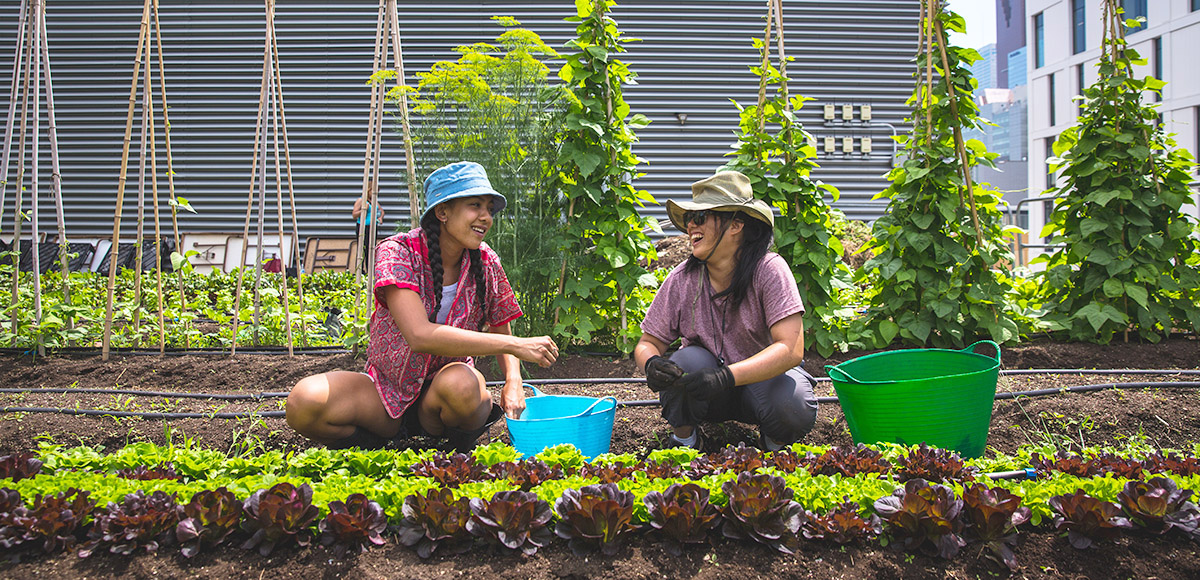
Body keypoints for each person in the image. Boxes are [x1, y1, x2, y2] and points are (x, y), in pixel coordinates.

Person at [287, 161, 559, 451]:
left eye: (489, 209)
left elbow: (500, 322)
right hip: (386, 391)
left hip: (445, 394)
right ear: (442, 212)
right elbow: (419, 335)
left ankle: (448, 449)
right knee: (304, 401)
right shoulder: (398, 252)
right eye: (475, 205)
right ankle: (377, 444)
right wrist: (517, 344)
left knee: (464, 386)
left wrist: (513, 380)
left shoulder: (485, 260)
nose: (486, 217)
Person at [633, 170, 818, 451]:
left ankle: (774, 444)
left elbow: (791, 349)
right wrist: (651, 363)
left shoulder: (769, 270)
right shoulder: (683, 278)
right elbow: (648, 342)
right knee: (684, 363)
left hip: (762, 387)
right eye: (689, 219)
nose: (690, 226)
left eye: (701, 217)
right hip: (705, 391)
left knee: (792, 403)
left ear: (736, 225)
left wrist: (726, 376)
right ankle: (685, 441)